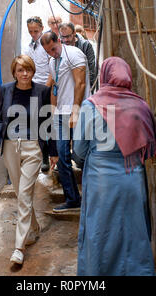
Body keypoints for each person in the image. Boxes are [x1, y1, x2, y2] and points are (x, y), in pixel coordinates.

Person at [73, 57, 156, 275]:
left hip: (101, 180)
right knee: (133, 231)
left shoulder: (91, 105)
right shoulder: (140, 105)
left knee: (101, 232)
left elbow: (80, 150)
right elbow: (147, 148)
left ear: (104, 76)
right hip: (133, 178)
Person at [0, 55, 57, 266]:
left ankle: (19, 247)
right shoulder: (7, 90)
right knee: (21, 193)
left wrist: (53, 151)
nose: (24, 74)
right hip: (10, 145)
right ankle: (34, 228)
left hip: (33, 147)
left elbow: (47, 121)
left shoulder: (42, 92)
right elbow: (1, 118)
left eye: (28, 70)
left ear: (33, 71)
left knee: (25, 193)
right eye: (20, 70)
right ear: (15, 72)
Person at [41, 31, 90, 213]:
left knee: (80, 155)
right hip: (61, 113)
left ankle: (91, 195)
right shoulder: (53, 61)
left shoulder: (74, 54)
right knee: (62, 156)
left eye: (53, 49)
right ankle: (72, 199)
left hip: (79, 110)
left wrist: (75, 111)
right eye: (48, 51)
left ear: (58, 41)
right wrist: (53, 112)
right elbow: (55, 87)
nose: (52, 53)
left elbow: (81, 84)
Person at [24, 16, 51, 172]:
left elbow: (52, 70)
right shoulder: (29, 46)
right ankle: (39, 157)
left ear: (41, 28)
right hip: (32, 89)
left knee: (46, 125)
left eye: (36, 31)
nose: (33, 34)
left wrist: (45, 90)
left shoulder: (46, 45)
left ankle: (48, 157)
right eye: (30, 31)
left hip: (45, 90)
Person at [59, 22, 96, 89]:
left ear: (74, 33)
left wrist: (89, 88)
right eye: (63, 37)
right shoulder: (59, 46)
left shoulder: (85, 45)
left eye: (68, 36)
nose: (66, 40)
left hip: (83, 85)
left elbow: (91, 69)